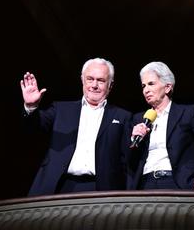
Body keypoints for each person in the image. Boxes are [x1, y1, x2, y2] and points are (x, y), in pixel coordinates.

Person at [20, 57, 132, 196]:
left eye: (101, 80)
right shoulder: (60, 109)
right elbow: (32, 129)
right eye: (90, 79)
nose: (94, 85)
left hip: (101, 190)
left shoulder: (123, 117)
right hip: (58, 186)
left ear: (110, 84)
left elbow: (127, 162)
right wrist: (31, 106)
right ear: (82, 80)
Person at [128, 61, 194, 190]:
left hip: (177, 182)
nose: (146, 90)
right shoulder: (139, 119)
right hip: (146, 183)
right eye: (143, 86)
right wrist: (134, 139)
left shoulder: (187, 113)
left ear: (167, 87)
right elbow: (129, 160)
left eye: (151, 84)